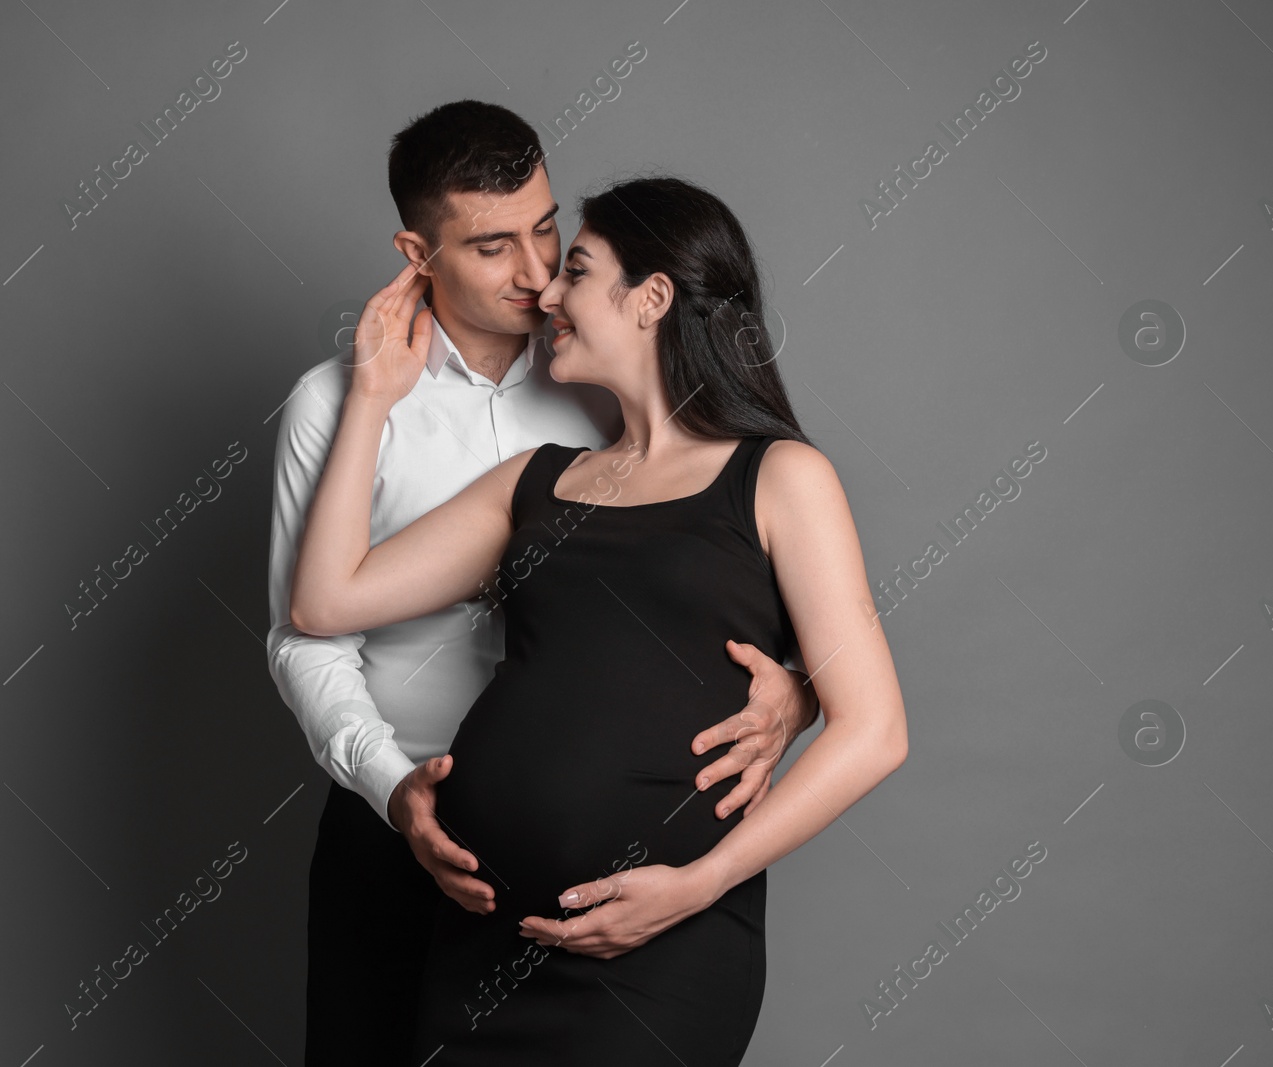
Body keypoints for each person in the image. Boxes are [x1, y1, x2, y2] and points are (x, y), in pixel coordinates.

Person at [290, 174, 909, 1066]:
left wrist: (696, 885)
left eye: (575, 269)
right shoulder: (537, 479)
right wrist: (371, 397)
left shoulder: (777, 477)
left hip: (661, 949)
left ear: (653, 297)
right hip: (481, 947)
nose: (546, 293)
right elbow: (325, 601)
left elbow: (876, 728)